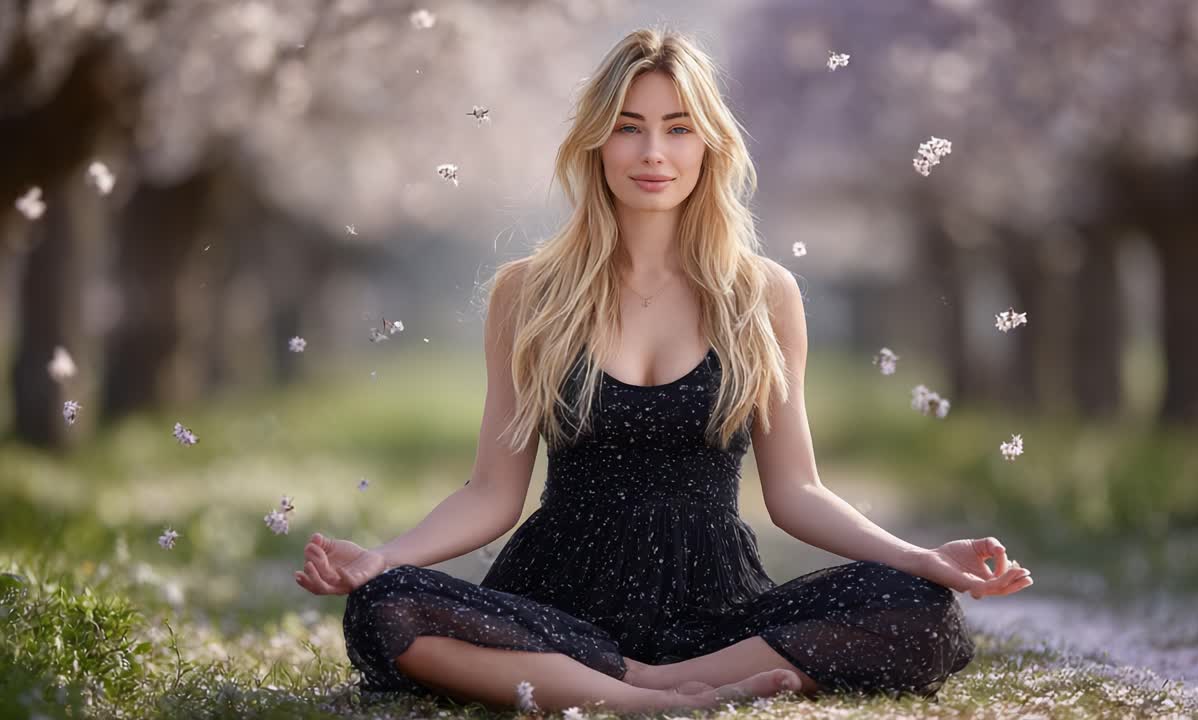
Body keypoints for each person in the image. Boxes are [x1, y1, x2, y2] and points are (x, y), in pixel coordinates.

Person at [295, 26, 1033, 714]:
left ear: (710, 145)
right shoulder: (528, 293)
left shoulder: (762, 295)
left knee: (923, 611)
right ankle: (653, 696)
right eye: (629, 126)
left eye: (678, 128)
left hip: (716, 608)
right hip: (556, 603)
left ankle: (657, 681)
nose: (654, 152)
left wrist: (922, 557)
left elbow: (797, 491)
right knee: (384, 605)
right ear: (595, 142)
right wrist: (380, 560)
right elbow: (492, 492)